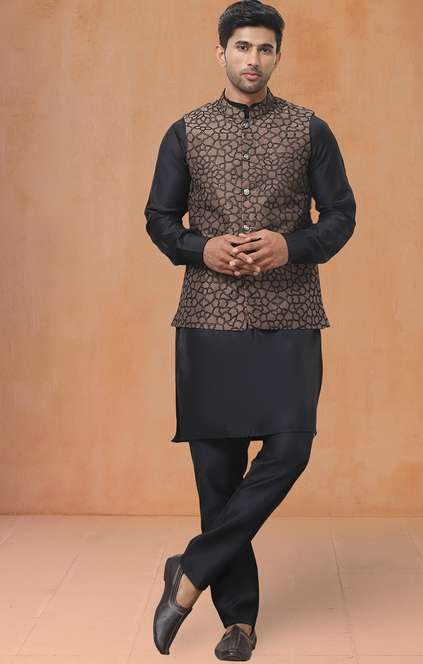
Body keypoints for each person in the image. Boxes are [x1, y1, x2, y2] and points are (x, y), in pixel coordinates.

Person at [144, 0, 356, 659]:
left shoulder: (309, 130)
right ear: (221, 53)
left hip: (289, 314)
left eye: (265, 48)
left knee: (290, 449)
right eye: (242, 47)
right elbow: (159, 219)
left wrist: (290, 245)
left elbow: (341, 216)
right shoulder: (185, 132)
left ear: (278, 55)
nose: (253, 59)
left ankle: (190, 569)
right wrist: (199, 247)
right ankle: (239, 622)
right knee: (217, 477)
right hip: (208, 320)